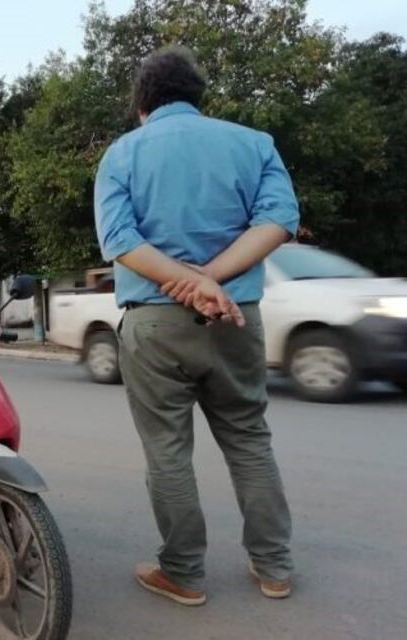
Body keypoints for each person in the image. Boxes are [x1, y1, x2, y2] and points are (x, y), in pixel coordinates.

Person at [94, 46, 298, 606]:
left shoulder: (122, 154)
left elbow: (119, 242)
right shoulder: (254, 144)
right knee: (249, 441)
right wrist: (213, 280)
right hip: (236, 318)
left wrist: (191, 281)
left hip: (154, 325)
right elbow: (280, 220)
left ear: (142, 105)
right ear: (195, 97)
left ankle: (183, 573)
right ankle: (275, 567)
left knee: (167, 451)